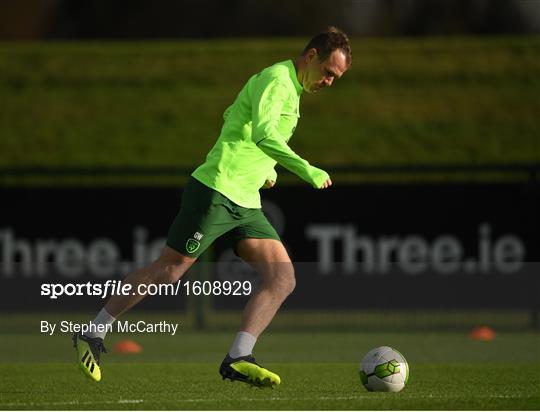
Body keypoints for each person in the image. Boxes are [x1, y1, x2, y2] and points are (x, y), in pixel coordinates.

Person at [73, 26, 352, 387]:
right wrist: (306, 169)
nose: (329, 82)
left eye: (336, 78)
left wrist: (266, 170)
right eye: (329, 72)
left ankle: (238, 356)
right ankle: (92, 333)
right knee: (170, 270)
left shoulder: (293, 91)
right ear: (312, 56)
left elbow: (232, 116)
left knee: (282, 277)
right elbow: (265, 134)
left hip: (246, 202)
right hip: (217, 190)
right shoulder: (278, 79)